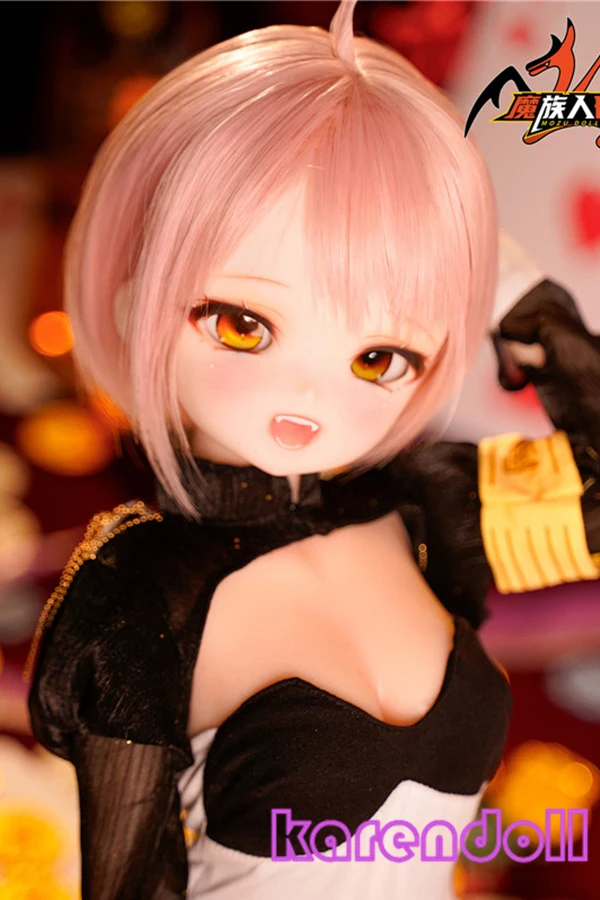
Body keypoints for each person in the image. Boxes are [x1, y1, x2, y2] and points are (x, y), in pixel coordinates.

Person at [25, 1, 600, 897]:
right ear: (140, 299)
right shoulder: (139, 592)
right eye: (243, 324)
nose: (311, 394)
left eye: (380, 356)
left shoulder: (422, 504)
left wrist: (511, 290)